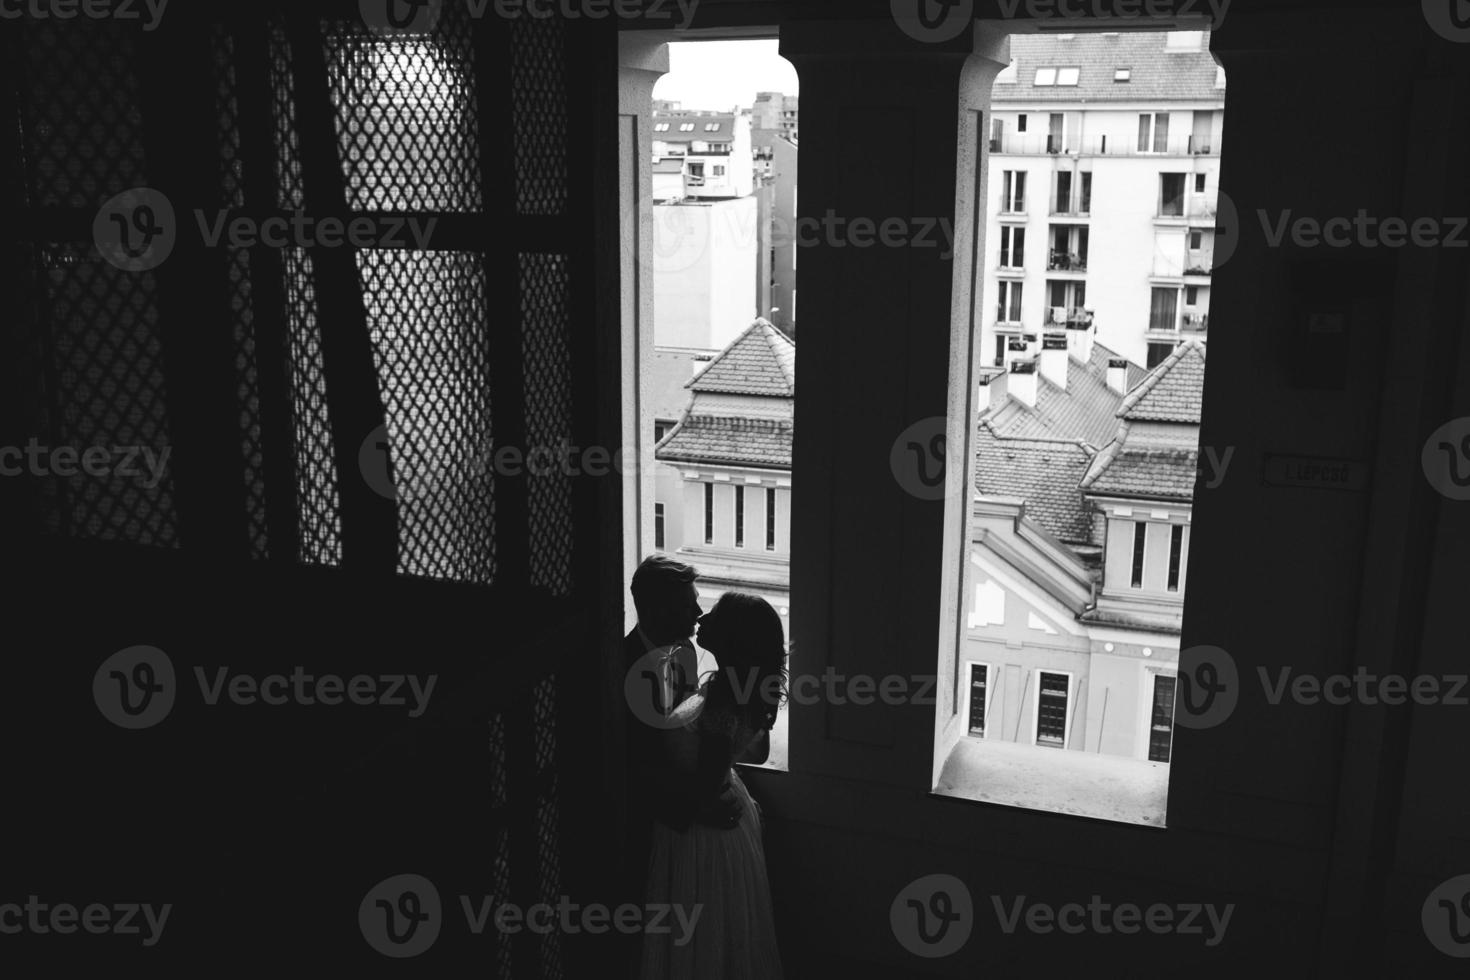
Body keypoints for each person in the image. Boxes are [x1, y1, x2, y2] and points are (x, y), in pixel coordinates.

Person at [639, 592, 786, 980]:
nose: (702, 616)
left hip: (702, 830)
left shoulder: (723, 696)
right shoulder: (733, 686)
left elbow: (703, 789)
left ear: (733, 636)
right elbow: (746, 751)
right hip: (723, 807)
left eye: (715, 615)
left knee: (701, 941)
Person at [622, 557, 745, 975]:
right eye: (688, 603)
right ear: (655, 610)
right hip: (643, 830)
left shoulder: (687, 653)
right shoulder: (615, 667)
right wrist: (694, 809)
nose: (698, 612)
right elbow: (626, 765)